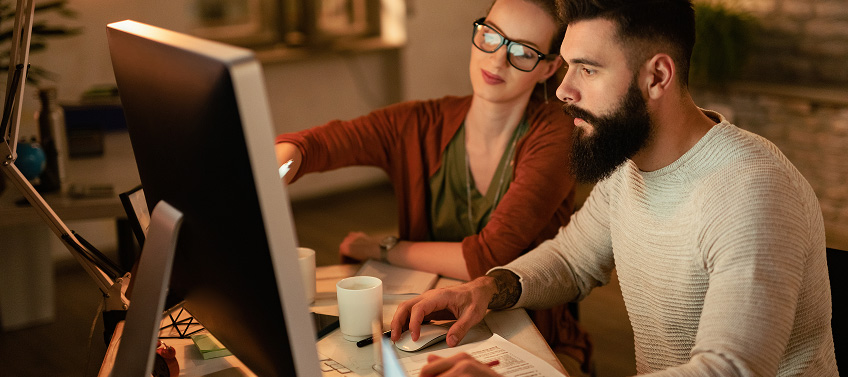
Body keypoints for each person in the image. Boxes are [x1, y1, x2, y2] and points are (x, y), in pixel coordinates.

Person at [390, 0, 839, 376]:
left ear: (657, 77)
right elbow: (571, 259)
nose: (563, 90)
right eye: (567, 67)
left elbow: (730, 370)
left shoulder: (751, 192)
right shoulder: (628, 163)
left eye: (587, 69)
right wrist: (485, 289)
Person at [275, 0, 593, 374]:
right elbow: (320, 144)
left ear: (549, 67)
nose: (496, 59)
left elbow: (488, 256)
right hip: (429, 326)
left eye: (523, 51)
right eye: (490, 35)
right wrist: (286, 159)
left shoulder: (556, 134)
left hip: (533, 336)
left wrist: (384, 247)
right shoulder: (422, 121)